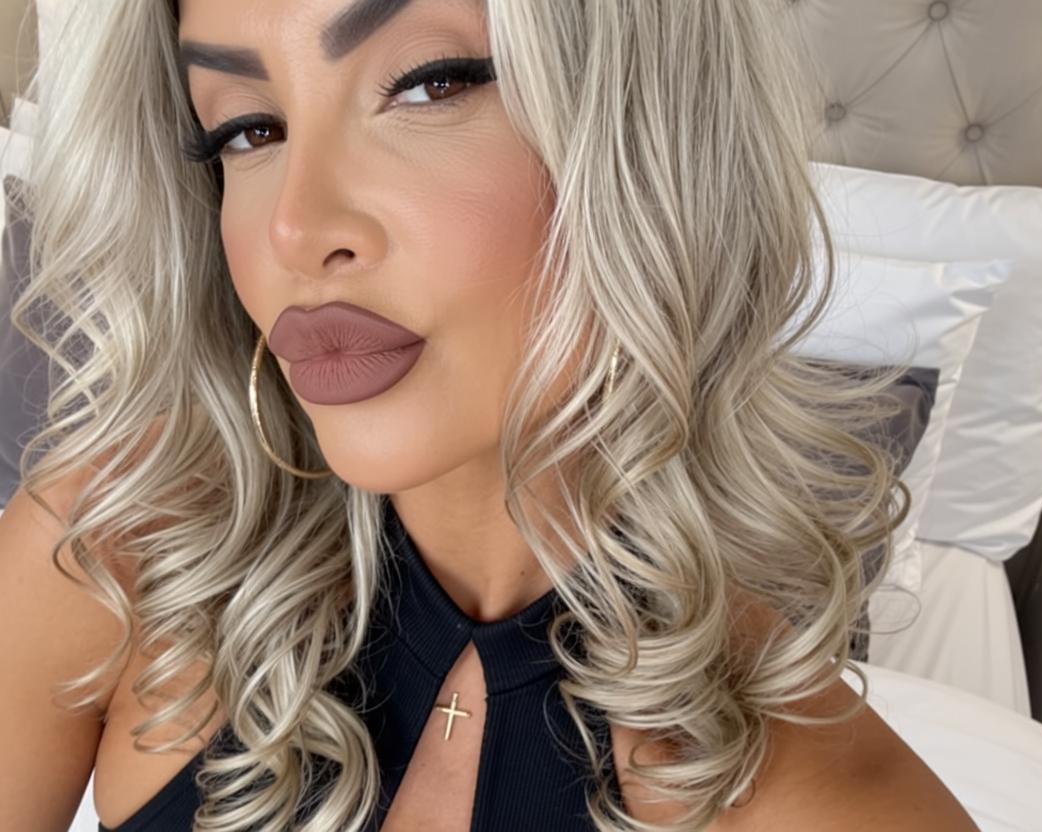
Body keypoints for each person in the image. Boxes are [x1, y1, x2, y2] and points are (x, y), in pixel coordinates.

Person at [0, 0, 980, 830]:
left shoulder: (836, 802)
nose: (295, 229)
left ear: (647, 134)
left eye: (428, 84)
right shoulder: (111, 551)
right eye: (248, 130)